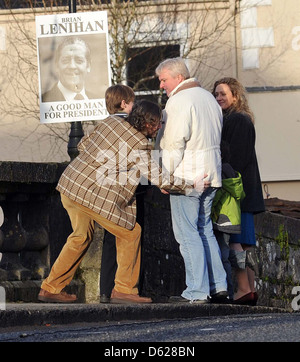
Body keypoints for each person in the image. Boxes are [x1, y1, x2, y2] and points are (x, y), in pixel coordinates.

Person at [38, 99, 193, 304]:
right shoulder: (140, 145)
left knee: (80, 236)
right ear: (147, 123)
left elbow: (83, 144)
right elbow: (160, 178)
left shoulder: (110, 122)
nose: (159, 127)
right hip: (90, 195)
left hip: (70, 185)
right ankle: (124, 289)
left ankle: (50, 287)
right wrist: (191, 185)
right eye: (157, 123)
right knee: (131, 232)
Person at [155, 57, 228, 304]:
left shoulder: (178, 101)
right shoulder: (208, 98)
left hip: (188, 177)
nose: (161, 85)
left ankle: (197, 291)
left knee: (187, 235)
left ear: (178, 77)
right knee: (205, 230)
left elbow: (175, 143)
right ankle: (218, 285)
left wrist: (165, 178)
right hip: (211, 174)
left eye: (163, 80)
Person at [213, 77, 265, 305]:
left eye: (223, 93)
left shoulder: (238, 120)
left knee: (237, 242)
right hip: (242, 191)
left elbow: (238, 158)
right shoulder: (234, 119)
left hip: (238, 192)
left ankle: (244, 288)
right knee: (243, 241)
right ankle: (249, 289)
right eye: (216, 94)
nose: (219, 98)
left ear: (236, 95)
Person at [100, 84, 135, 304]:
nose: (133, 107)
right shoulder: (127, 125)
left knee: (109, 240)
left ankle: (105, 289)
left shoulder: (102, 125)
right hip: (123, 186)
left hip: (104, 186)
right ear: (124, 103)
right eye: (132, 103)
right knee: (128, 235)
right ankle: (124, 288)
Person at [42, 37, 98, 102]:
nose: (72, 66)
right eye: (65, 60)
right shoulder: (43, 100)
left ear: (88, 66)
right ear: (57, 66)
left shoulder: (99, 100)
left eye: (79, 61)